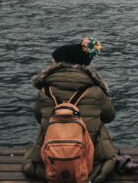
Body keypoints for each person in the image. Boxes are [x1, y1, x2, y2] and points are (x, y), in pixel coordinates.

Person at [21, 38, 118, 182]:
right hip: (89, 159)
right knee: (98, 125)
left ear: (60, 65)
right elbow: (110, 116)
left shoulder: (45, 91)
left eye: (53, 61)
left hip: (52, 157)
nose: (50, 64)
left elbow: (38, 119)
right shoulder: (96, 91)